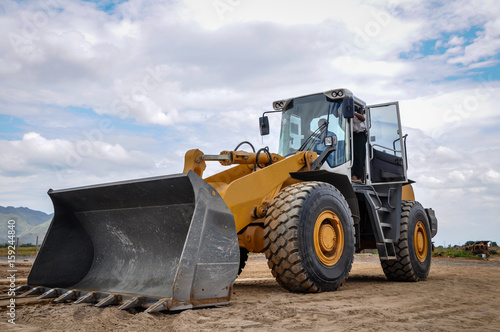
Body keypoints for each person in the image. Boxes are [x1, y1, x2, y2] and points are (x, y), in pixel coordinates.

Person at [352, 110, 366, 182]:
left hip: (360, 134)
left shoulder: (356, 113)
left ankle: (359, 176)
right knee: (353, 154)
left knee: (360, 155)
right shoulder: (343, 116)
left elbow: (363, 119)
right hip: (352, 135)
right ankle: (353, 174)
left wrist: (354, 113)